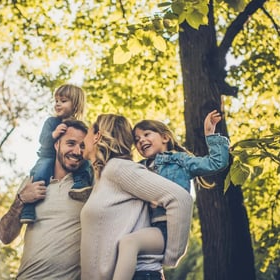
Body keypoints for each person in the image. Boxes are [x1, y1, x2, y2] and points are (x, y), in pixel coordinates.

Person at [112, 110, 230, 280]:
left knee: (129, 243)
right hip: (146, 226)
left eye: (146, 134)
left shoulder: (179, 160)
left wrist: (210, 134)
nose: (141, 141)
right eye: (137, 140)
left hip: (167, 228)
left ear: (165, 138)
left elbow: (216, 163)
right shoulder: (139, 167)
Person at [80, 114, 194, 280]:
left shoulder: (118, 168)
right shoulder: (103, 176)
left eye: (88, 132)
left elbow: (180, 199)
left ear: (97, 136)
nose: (84, 139)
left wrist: (172, 255)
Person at [0, 119, 89, 280]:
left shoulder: (87, 187)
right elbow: (6, 236)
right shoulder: (32, 182)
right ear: (56, 145)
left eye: (82, 146)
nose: (77, 151)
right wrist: (21, 199)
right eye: (71, 143)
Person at [20, 84, 93, 224]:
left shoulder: (81, 127)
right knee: (41, 173)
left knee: (86, 163)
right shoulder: (51, 122)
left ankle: (80, 184)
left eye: (63, 101)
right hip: (48, 156)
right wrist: (54, 134)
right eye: (56, 101)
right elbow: (43, 140)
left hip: (69, 162)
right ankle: (29, 208)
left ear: (76, 105)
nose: (58, 104)